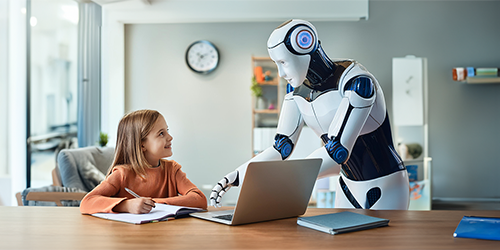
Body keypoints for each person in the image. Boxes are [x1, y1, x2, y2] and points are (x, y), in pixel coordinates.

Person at [211, 19, 410, 210]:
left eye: (283, 62)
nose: (280, 73)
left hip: (385, 185)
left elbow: (337, 152)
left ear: (304, 44)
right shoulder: (295, 91)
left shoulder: (356, 83)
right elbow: (281, 148)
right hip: (347, 186)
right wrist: (239, 175)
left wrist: (277, 182)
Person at [80, 109, 207, 214]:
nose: (170, 137)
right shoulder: (122, 174)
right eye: (161, 134)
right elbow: (87, 202)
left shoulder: (172, 170)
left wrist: (154, 203)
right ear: (141, 145)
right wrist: (126, 206)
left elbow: (200, 200)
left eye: (167, 131)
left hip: (166, 236)